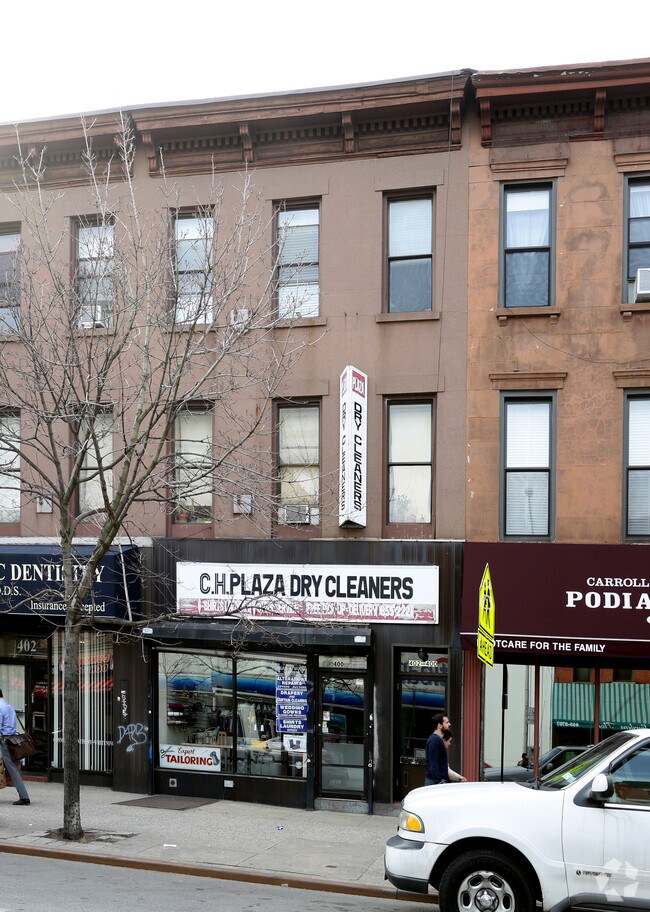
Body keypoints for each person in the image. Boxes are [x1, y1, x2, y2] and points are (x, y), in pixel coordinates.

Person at [0, 689, 31, 805]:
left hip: (4, 740)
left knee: (12, 769)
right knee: (13, 768)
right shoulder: (8, 706)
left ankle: (24, 797)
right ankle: (24, 796)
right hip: (11, 740)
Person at [425, 712, 451, 784]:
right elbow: (433, 763)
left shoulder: (437, 739)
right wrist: (439, 781)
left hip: (437, 781)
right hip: (435, 782)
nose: (449, 724)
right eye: (447, 722)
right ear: (439, 725)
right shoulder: (435, 740)